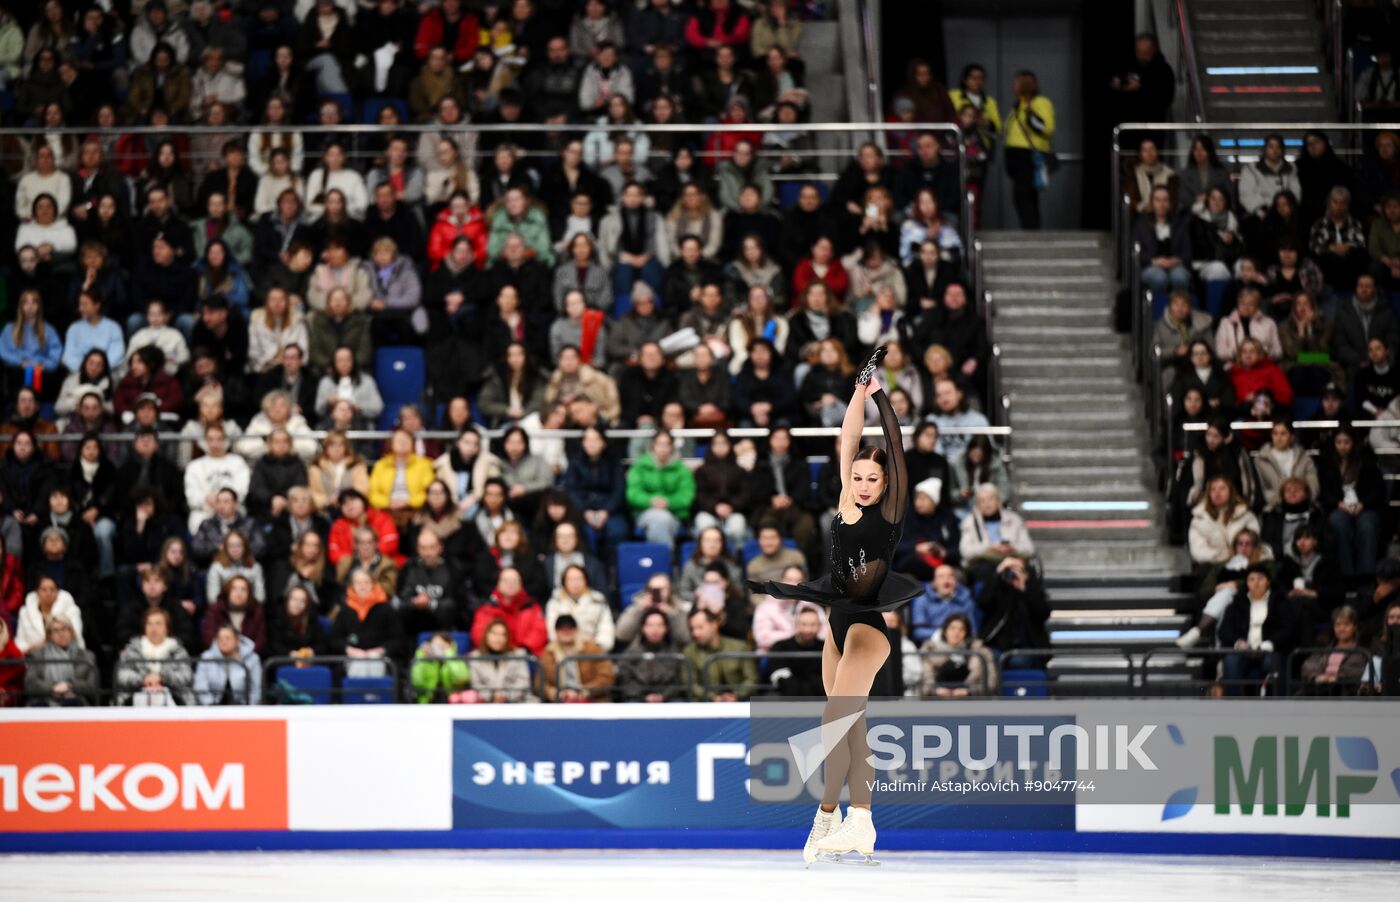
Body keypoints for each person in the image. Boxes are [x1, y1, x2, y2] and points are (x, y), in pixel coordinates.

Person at [743, 347, 919, 862]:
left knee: (836, 719)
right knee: (847, 727)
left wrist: (880, 393)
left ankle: (856, 819)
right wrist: (857, 392)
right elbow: (848, 439)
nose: (864, 485)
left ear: (886, 484)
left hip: (867, 627)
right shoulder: (845, 497)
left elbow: (896, 445)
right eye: (860, 478)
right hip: (835, 625)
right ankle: (831, 820)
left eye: (873, 479)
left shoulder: (889, 512)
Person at [1217, 565, 1293, 696]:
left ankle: (1281, 705)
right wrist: (1238, 642)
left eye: (1260, 579)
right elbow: (1223, 631)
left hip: (1270, 650)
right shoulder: (1236, 604)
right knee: (1231, 661)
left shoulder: (1280, 602)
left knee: (1274, 662)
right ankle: (1234, 708)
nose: (1256, 583)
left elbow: (1289, 629)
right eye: (1251, 579)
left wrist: (1270, 643)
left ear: (1268, 582)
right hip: (1244, 651)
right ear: (1247, 583)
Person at [1004, 70, 1054, 230]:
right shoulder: (1018, 104)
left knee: (1023, 195)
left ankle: (1030, 230)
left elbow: (1046, 128)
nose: (1015, 86)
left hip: (1027, 155)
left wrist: (1030, 113)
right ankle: (1031, 229)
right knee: (1026, 195)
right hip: (1015, 155)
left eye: (1017, 82)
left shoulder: (1040, 102)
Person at [115, 608, 195, 706]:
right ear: (144, 627)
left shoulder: (177, 650)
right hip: (135, 695)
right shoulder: (132, 649)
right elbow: (121, 675)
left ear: (167, 628)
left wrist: (162, 678)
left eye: (158, 624)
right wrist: (143, 679)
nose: (154, 628)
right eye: (149, 624)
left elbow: (186, 675)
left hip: (174, 697)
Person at [23, 615, 98, 707]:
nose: (61, 634)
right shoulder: (37, 655)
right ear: (49, 635)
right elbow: (30, 683)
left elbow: (92, 686)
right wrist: (53, 688)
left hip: (76, 703)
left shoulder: (87, 656)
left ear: (71, 632)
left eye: (64, 629)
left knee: (73, 703)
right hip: (44, 701)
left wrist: (69, 685)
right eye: (56, 630)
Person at [919, 612, 996, 697]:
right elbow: (924, 681)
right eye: (952, 628)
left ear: (967, 633)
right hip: (937, 701)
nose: (956, 633)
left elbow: (991, 683)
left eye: (961, 629)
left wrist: (969, 692)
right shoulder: (930, 650)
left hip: (971, 701)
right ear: (944, 631)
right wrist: (935, 691)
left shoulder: (981, 652)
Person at [1298, 606, 1370, 695]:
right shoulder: (1326, 646)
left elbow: (1357, 671)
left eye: (1346, 624)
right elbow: (1308, 664)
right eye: (1338, 625)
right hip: (1321, 687)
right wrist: (1317, 676)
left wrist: (1337, 678)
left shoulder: (1360, 650)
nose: (1341, 629)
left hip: (1344, 691)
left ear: (1354, 627)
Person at [193, 624, 262, 705]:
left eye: (227, 638)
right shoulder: (206, 657)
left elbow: (256, 689)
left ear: (237, 640)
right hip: (212, 708)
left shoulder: (252, 659)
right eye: (220, 638)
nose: (223, 642)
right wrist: (209, 705)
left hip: (243, 707)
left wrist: (248, 708)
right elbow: (200, 685)